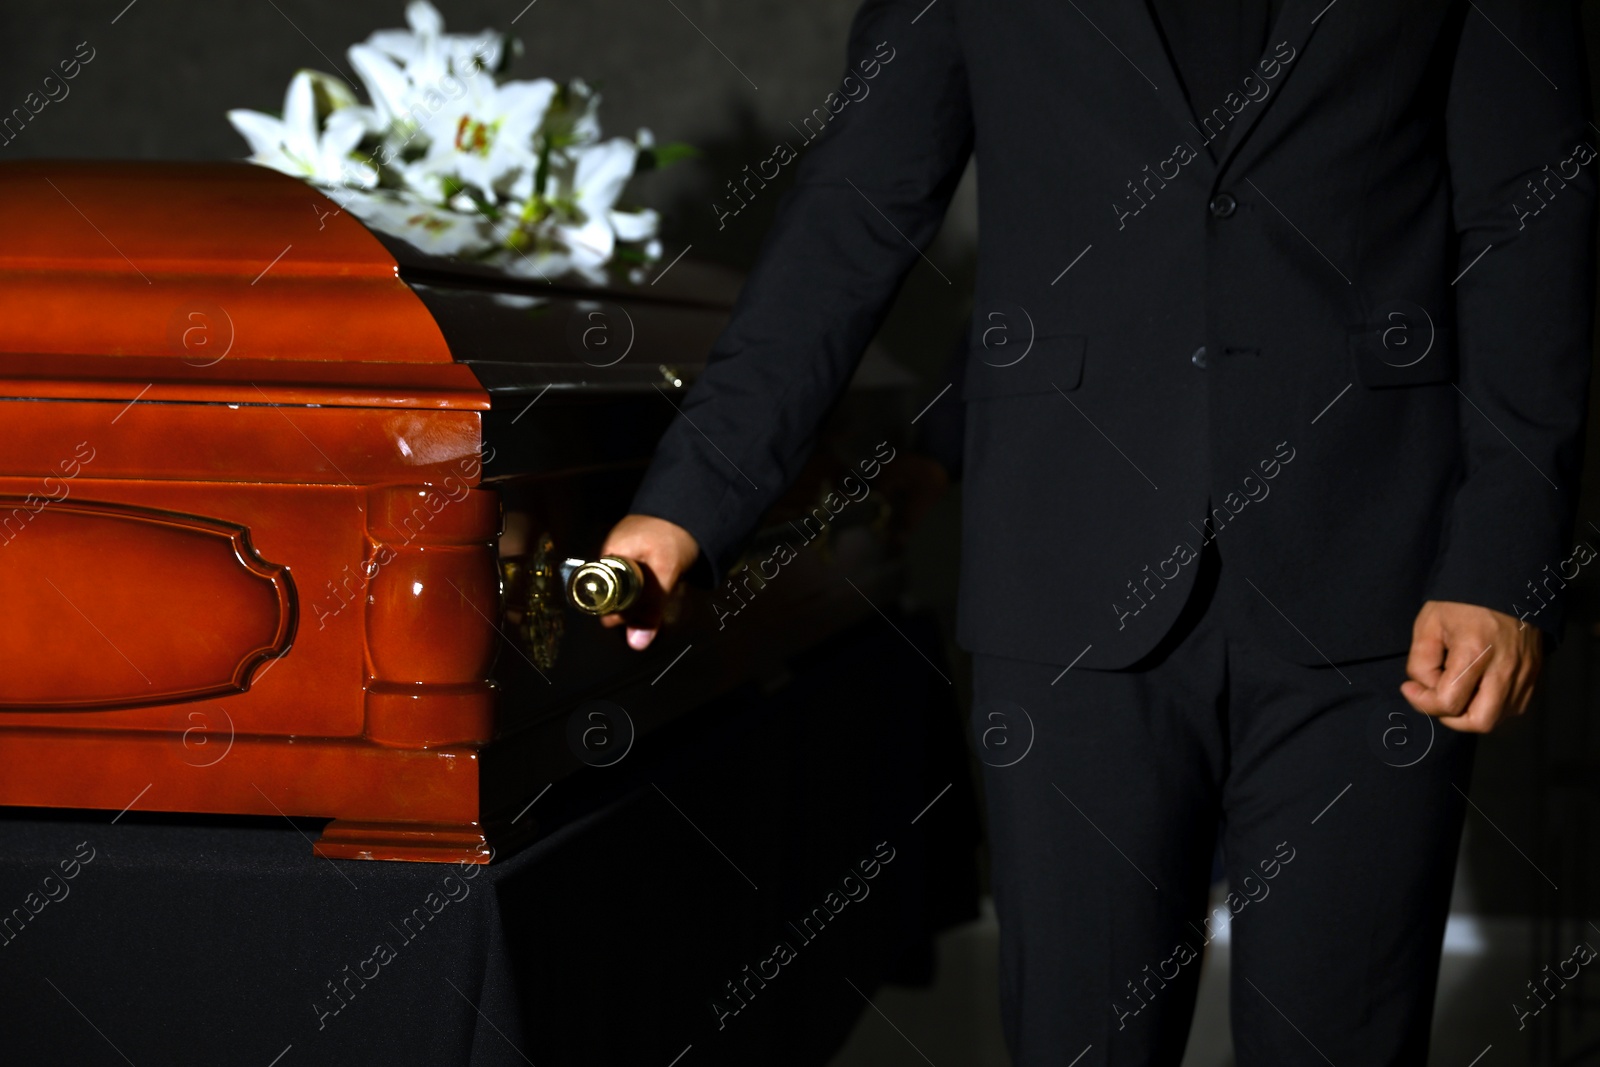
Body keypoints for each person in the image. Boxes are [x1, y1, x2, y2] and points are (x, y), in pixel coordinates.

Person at [599, 0, 1595, 1062]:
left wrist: (1503, 560)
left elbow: (1529, 217)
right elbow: (858, 204)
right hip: (1066, 569)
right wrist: (689, 498)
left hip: (1381, 575)